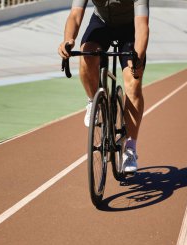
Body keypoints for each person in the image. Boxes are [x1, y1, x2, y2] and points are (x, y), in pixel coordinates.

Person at [58, 0, 150, 173]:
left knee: (133, 83)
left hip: (130, 28)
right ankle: (94, 101)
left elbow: (142, 25)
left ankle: (130, 149)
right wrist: (68, 40)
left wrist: (138, 57)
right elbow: (75, 15)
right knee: (86, 55)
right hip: (101, 23)